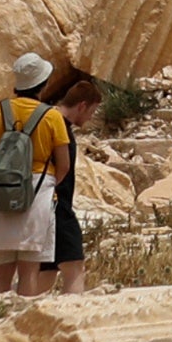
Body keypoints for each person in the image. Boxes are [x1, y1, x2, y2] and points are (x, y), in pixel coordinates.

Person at [0, 52, 75, 299]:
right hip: (38, 192)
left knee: (1, 271)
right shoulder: (51, 116)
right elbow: (64, 164)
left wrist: (3, 178)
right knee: (29, 271)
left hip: (1, 192)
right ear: (43, 83)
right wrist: (48, 184)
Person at [49, 80, 103, 295]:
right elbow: (62, 169)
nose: (90, 118)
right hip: (58, 208)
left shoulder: (48, 122)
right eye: (92, 111)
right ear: (82, 105)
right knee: (74, 267)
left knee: (45, 273)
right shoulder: (61, 127)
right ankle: (72, 315)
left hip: (42, 208)